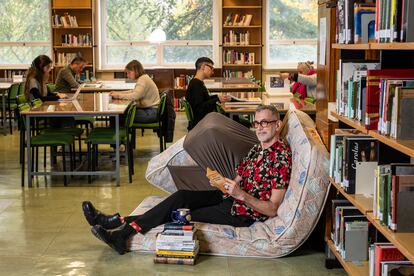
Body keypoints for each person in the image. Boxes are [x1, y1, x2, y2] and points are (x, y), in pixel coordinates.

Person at [82, 104, 292, 255]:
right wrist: (223, 182)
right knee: (181, 195)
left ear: (278, 124)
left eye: (265, 122)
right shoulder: (257, 148)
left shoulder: (280, 158)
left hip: (242, 212)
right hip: (229, 197)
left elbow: (272, 208)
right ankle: (116, 224)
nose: (260, 127)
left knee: (177, 213)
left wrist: (241, 195)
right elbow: (239, 177)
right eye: (257, 123)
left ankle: (120, 231)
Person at [185, 57, 231, 128]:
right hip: (202, 123)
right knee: (233, 119)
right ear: (203, 67)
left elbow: (204, 99)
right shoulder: (196, 85)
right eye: (211, 68)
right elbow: (200, 109)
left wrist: (217, 97)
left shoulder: (197, 82)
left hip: (204, 120)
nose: (213, 72)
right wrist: (217, 100)